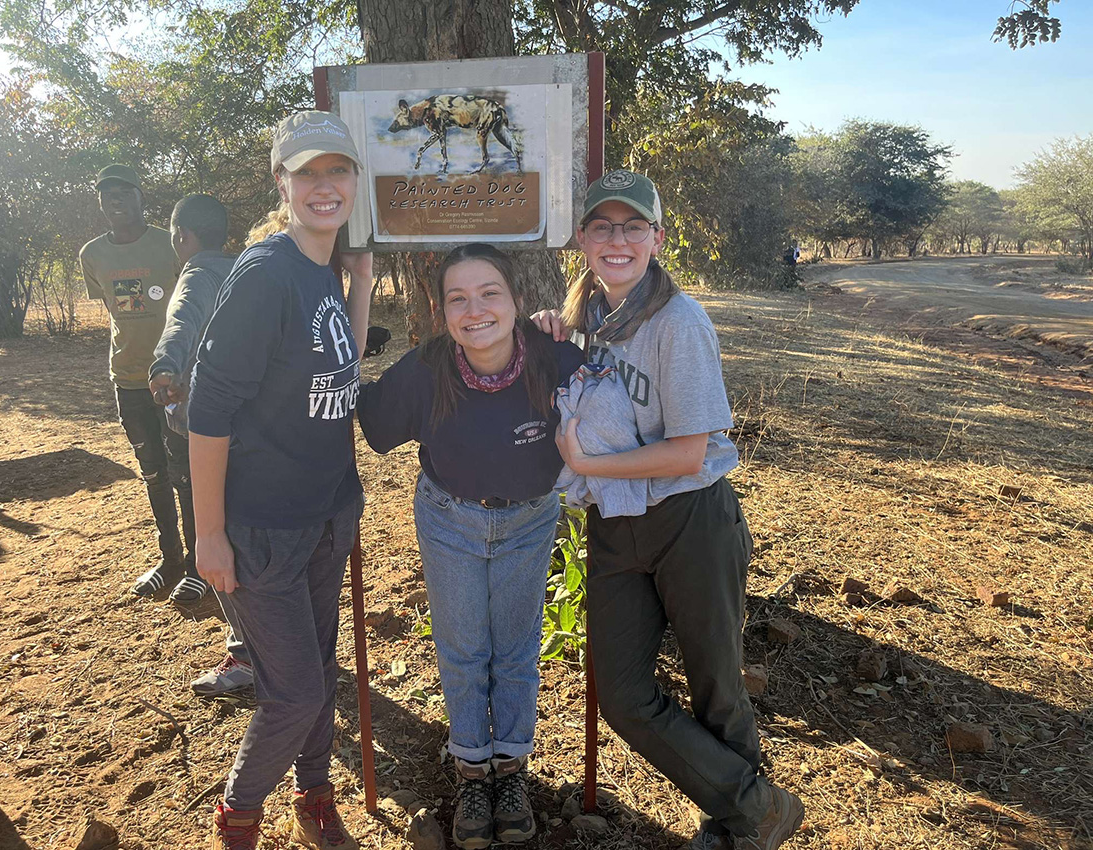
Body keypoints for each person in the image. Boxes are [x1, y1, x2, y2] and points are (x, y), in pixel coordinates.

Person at [534, 170, 805, 850]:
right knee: (621, 694)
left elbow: (688, 453)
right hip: (616, 523)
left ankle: (738, 824)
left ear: (657, 237)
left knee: (716, 683)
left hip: (690, 519)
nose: (617, 240)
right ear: (583, 240)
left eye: (633, 227)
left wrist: (589, 465)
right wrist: (549, 336)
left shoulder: (678, 322)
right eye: (603, 227)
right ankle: (759, 807)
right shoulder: (583, 318)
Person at [187, 111, 374, 850]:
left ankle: (315, 794)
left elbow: (342, 363)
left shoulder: (320, 268)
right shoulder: (265, 275)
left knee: (319, 674)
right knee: (293, 691)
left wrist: (359, 283)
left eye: (337, 171)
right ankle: (238, 817)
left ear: (354, 180)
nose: (324, 187)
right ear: (281, 182)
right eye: (307, 174)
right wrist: (208, 533)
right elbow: (208, 408)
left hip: (327, 514)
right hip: (263, 527)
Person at [358, 244, 583, 850]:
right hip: (449, 521)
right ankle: (471, 772)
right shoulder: (429, 366)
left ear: (517, 301)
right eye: (457, 297)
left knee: (514, 651)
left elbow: (612, 395)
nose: (475, 309)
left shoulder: (553, 358)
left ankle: (509, 770)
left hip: (528, 523)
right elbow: (373, 422)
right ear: (441, 309)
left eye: (490, 293)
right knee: (462, 652)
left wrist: (563, 330)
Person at [148, 194, 255, 693]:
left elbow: (181, 322)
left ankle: (247, 654)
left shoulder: (194, 275)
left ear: (180, 236)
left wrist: (165, 366)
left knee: (220, 540)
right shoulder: (249, 268)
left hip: (211, 430)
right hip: (257, 426)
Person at [79, 164, 191, 600]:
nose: (116, 200)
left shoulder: (170, 244)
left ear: (142, 197)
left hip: (176, 375)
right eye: (107, 193)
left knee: (185, 473)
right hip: (128, 379)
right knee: (154, 474)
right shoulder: (92, 254)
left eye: (124, 191)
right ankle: (171, 558)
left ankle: (199, 565)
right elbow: (111, 308)